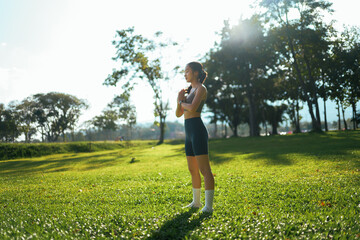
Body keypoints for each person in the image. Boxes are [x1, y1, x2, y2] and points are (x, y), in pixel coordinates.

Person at [175, 61, 215, 213]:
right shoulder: (189, 91)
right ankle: (196, 202)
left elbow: (191, 108)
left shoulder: (201, 89)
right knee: (193, 170)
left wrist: (181, 101)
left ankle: (209, 206)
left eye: (187, 71)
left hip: (197, 130)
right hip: (188, 132)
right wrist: (179, 99)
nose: (185, 74)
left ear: (196, 73)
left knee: (205, 170)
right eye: (184, 72)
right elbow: (178, 113)